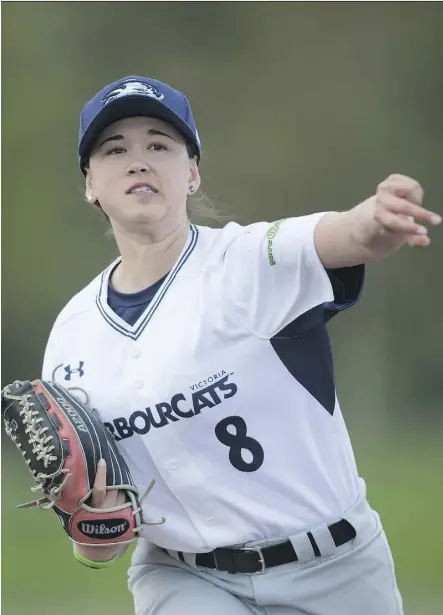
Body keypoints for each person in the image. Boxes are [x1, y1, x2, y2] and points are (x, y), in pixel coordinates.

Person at [42, 74, 441, 615]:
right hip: (185, 581)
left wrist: (377, 218)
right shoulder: (71, 339)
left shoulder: (249, 262)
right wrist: (94, 532)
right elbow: (97, 540)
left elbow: (344, 234)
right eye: (115, 150)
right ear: (91, 183)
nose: (138, 161)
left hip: (338, 570)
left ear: (191, 173)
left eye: (159, 144)